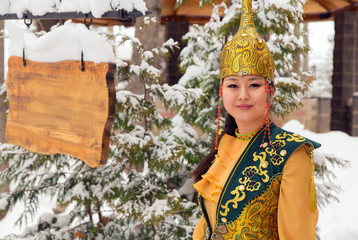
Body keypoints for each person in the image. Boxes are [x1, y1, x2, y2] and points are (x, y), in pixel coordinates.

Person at [192, 0, 320, 239]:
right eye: (233, 85)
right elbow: (206, 226)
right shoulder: (225, 147)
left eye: (254, 84)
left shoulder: (290, 153)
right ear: (222, 91)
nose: (243, 95)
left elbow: (298, 234)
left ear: (269, 90)